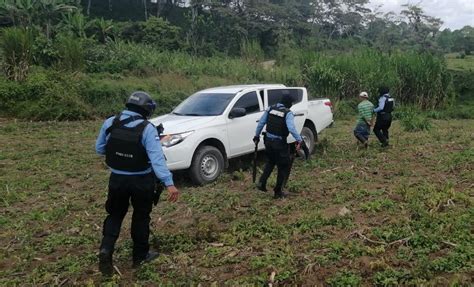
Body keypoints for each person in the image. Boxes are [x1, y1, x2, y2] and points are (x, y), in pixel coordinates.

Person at [95, 91, 179, 276]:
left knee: (115, 215)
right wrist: (169, 183)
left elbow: (99, 148)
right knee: (141, 217)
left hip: (116, 179)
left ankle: (106, 249)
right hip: (141, 181)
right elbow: (157, 160)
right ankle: (140, 256)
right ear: (146, 110)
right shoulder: (147, 128)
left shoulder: (110, 122)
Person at [253, 93, 303, 199]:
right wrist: (299, 139)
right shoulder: (288, 113)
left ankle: (261, 183)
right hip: (279, 143)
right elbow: (291, 128)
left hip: (268, 142)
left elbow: (261, 123)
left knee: (271, 162)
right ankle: (278, 192)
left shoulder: (270, 109)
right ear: (288, 103)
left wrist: (256, 136)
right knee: (283, 165)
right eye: (291, 103)